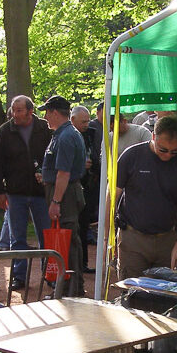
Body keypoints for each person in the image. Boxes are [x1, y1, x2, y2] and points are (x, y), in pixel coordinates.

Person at [114, 116, 177, 279]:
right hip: (133, 238)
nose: (168, 155)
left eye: (174, 151)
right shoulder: (131, 156)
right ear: (153, 137)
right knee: (131, 292)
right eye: (163, 149)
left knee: (165, 295)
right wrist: (106, 236)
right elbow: (112, 196)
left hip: (167, 238)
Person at [0, 95, 53, 289]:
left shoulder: (45, 130)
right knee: (17, 237)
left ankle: (49, 274)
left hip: (41, 193)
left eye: (19, 110)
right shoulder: (3, 132)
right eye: (13, 110)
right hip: (15, 193)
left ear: (30, 111)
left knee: (46, 235)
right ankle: (19, 276)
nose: (14, 114)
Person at [40, 95, 87, 297]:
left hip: (65, 194)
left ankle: (71, 291)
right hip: (63, 191)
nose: (45, 116)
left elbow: (64, 173)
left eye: (47, 112)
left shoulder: (66, 136)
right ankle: (70, 288)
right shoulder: (63, 134)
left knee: (68, 243)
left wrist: (56, 201)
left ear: (55, 112)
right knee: (69, 241)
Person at [71, 105, 100, 274]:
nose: (86, 124)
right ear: (72, 120)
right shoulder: (66, 135)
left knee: (84, 227)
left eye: (88, 120)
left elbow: (98, 157)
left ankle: (82, 263)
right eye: (83, 121)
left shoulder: (91, 135)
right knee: (75, 228)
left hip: (89, 188)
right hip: (73, 188)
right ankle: (74, 264)